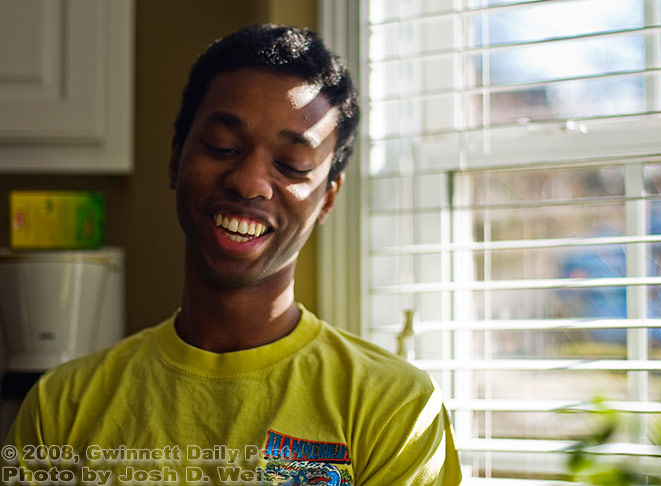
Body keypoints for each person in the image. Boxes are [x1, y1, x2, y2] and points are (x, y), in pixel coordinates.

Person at [2, 24, 462, 486]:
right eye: (222, 147)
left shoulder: (395, 408)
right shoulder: (61, 407)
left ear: (327, 198)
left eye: (291, 165)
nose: (249, 182)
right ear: (176, 158)